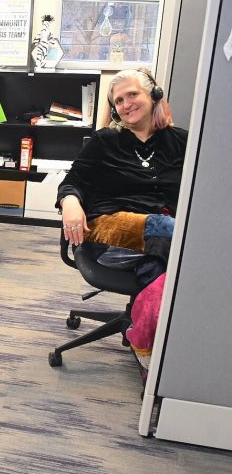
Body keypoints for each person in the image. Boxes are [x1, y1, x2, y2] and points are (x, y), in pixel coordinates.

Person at [57, 68, 188, 374]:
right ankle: (153, 348)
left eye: (133, 95)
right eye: (119, 100)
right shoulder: (105, 141)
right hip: (113, 235)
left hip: (160, 240)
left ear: (153, 96)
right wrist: (71, 202)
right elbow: (72, 182)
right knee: (179, 242)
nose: (126, 104)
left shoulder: (180, 141)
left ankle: (145, 342)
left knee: (159, 262)